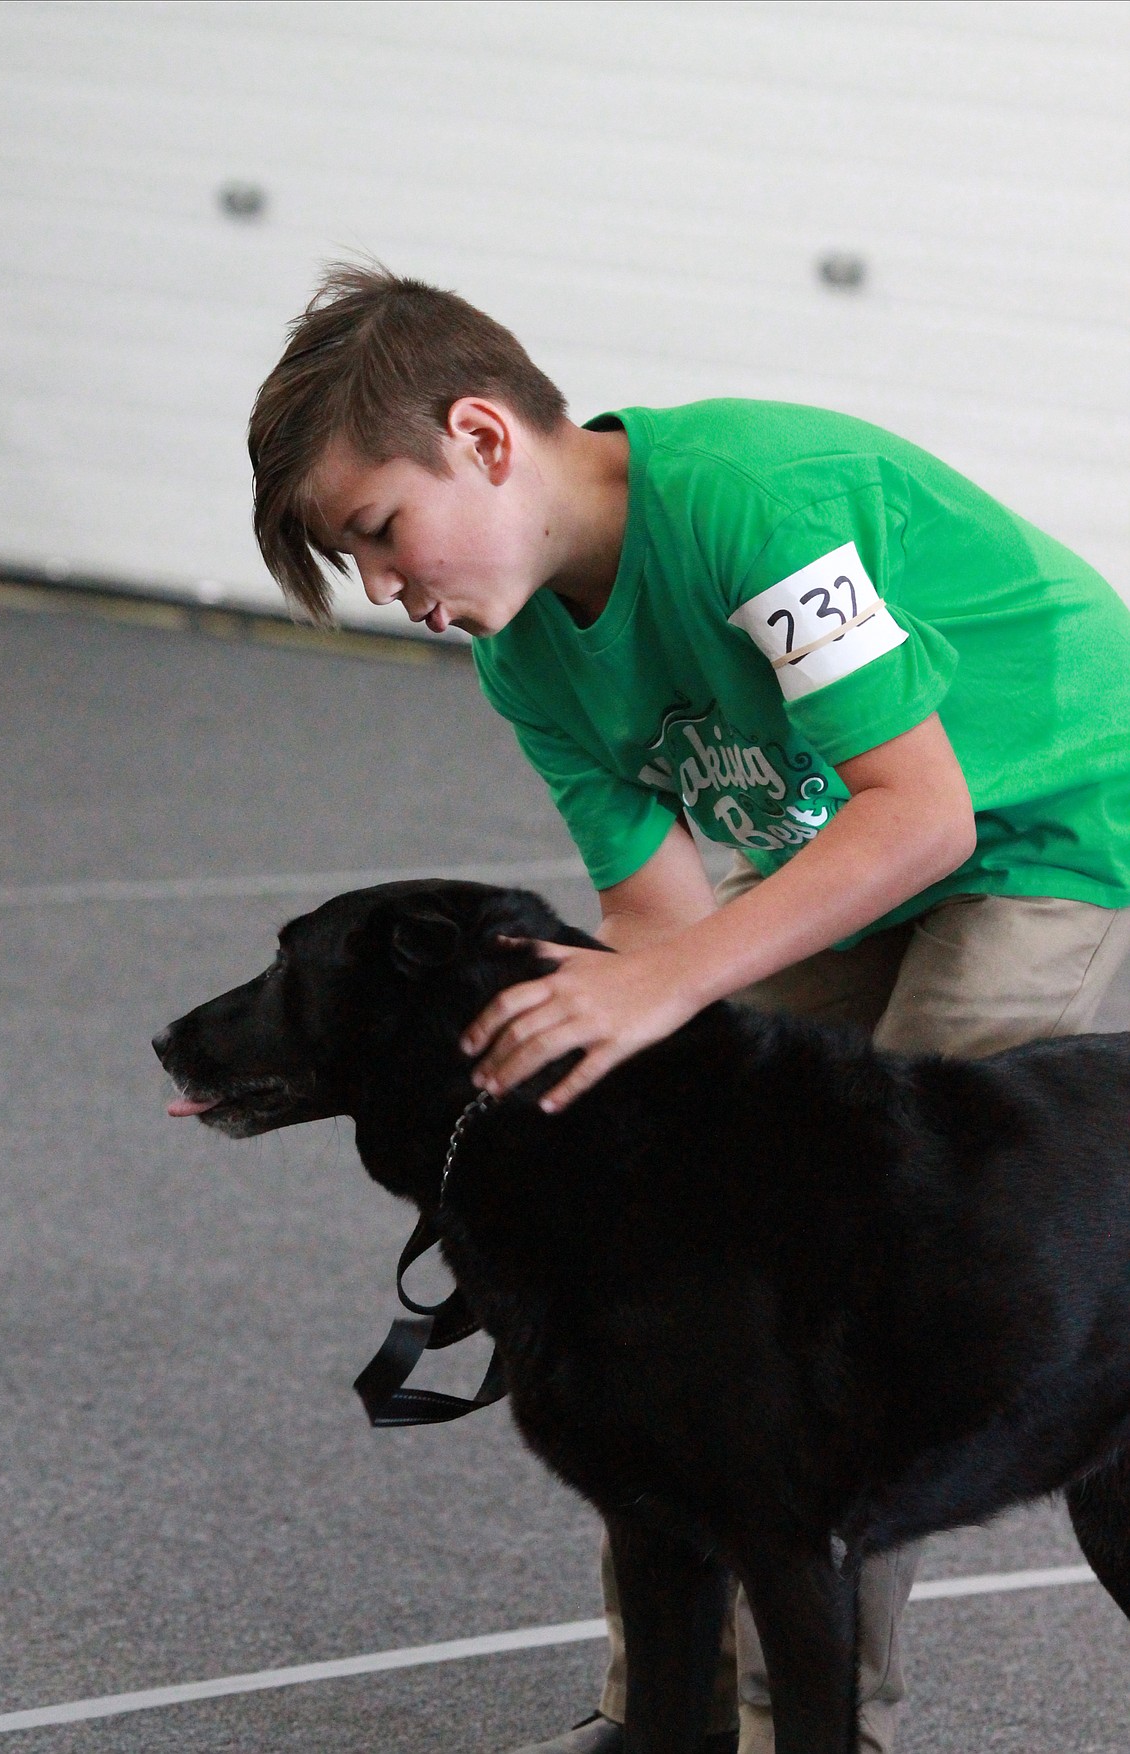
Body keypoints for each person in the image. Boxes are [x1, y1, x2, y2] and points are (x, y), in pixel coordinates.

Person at [247, 264, 1130, 1754]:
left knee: (880, 1247)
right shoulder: (525, 652)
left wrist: (664, 986)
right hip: (847, 839)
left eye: (379, 533)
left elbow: (920, 817)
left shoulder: (742, 501)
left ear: (479, 435)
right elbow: (655, 925)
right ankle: (665, 1716)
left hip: (1034, 820)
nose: (393, 590)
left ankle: (825, 1718)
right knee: (676, 1244)